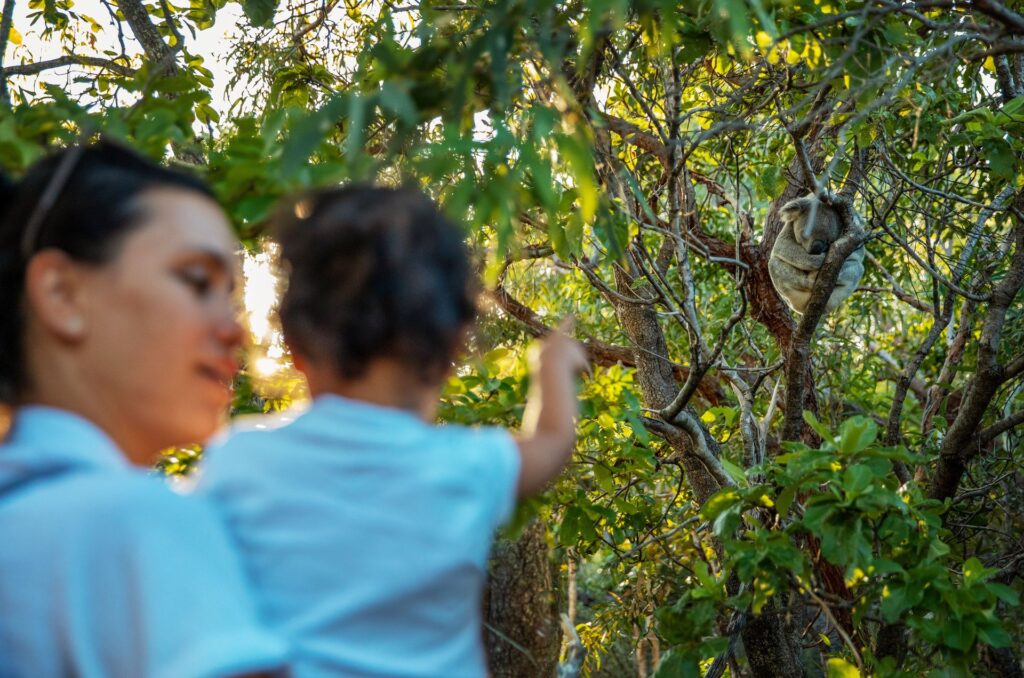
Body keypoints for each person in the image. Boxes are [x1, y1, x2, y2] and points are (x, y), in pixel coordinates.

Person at [197, 185, 589, 677]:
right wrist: (552, 367)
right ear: (455, 343)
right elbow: (550, 444)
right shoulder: (465, 465)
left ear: (294, 341)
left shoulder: (240, 460)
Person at [0, 142, 289, 677]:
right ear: (61, 293)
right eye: (196, 282)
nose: (234, 331)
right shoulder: (139, 522)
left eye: (229, 296)